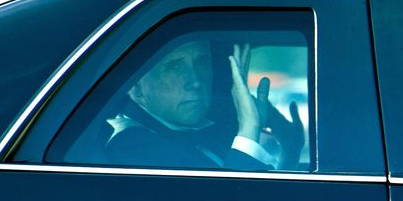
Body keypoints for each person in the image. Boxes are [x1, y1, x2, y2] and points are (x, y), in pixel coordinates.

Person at [104, 38, 304, 171]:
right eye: (174, 66)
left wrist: (290, 152)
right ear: (137, 88)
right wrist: (248, 128)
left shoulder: (210, 130)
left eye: (201, 62)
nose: (196, 81)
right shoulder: (131, 146)